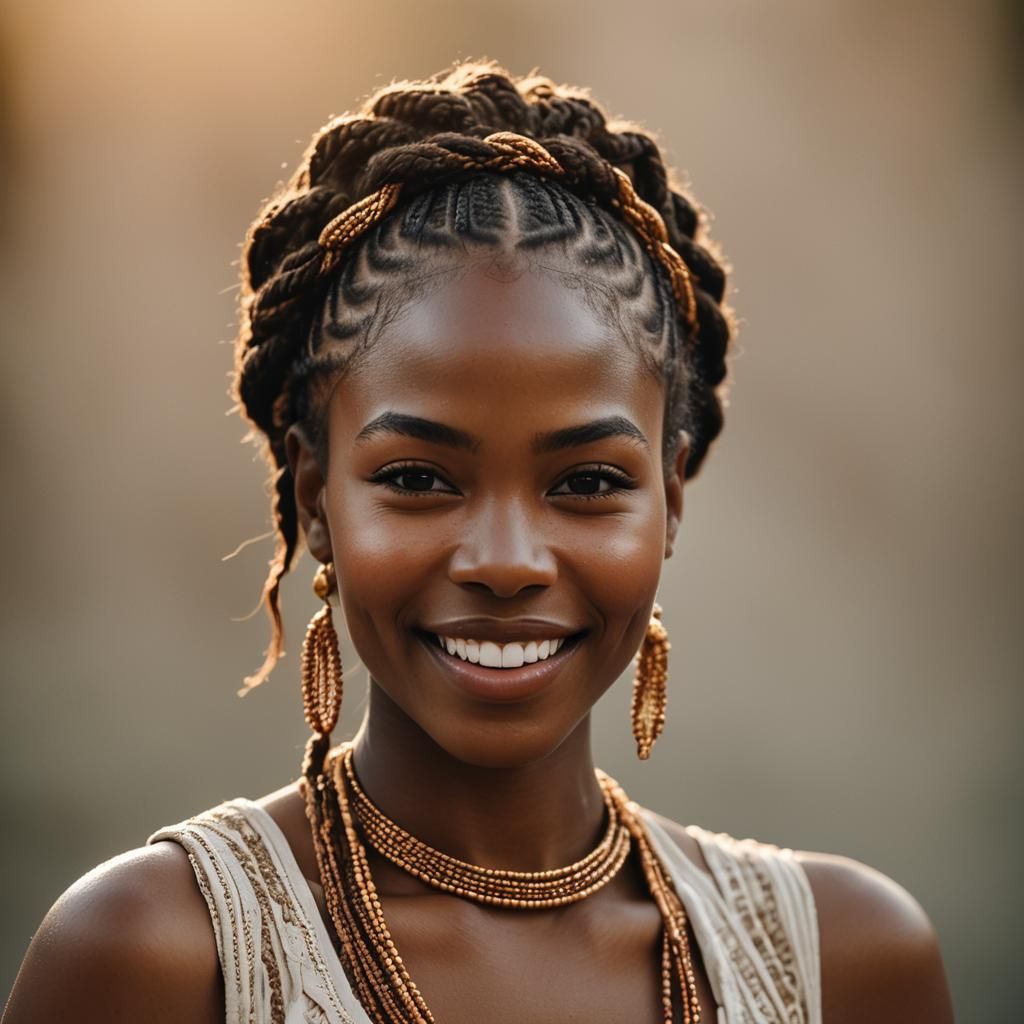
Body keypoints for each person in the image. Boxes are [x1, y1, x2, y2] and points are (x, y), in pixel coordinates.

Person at [2, 61, 954, 1024]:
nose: (505, 561)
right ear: (316, 497)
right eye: (417, 479)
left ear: (669, 502)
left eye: (587, 483)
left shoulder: (845, 962)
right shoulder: (156, 956)